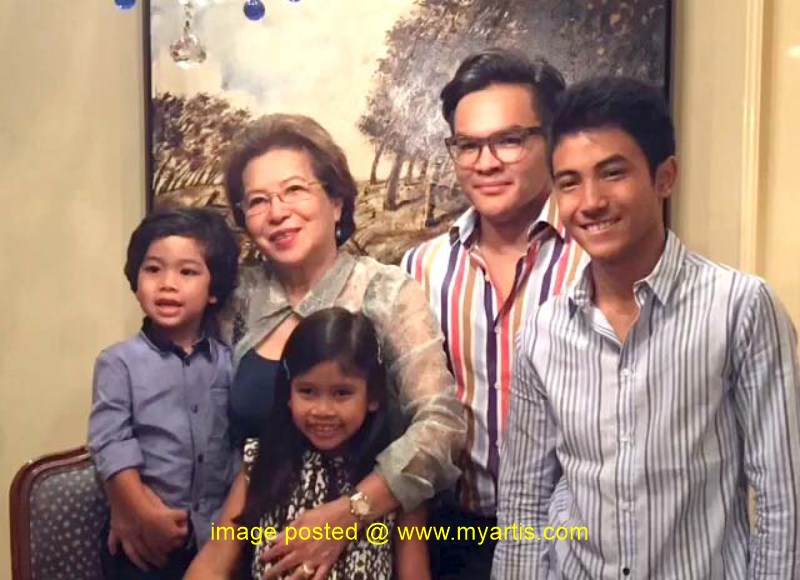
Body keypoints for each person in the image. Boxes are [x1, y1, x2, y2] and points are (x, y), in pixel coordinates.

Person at [493, 76, 800, 578]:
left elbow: (783, 498)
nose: (590, 201)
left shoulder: (741, 309)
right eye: (569, 182)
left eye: (613, 173)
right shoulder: (543, 334)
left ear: (665, 177)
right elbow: (524, 503)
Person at [197, 113, 464, 579]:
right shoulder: (234, 298)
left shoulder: (386, 292)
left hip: (370, 541)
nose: (277, 212)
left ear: (336, 202)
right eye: (257, 201)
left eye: (294, 190)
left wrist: (350, 513)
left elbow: (441, 425)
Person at [401, 49, 586, 578]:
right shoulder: (423, 267)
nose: (485, 163)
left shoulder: (595, 259)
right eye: (467, 145)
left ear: (552, 140)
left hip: (574, 537)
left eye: (509, 140)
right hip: (455, 538)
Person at [185, 307, 431, 579]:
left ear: (372, 395)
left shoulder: (394, 481)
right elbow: (213, 562)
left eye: (342, 393)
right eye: (307, 391)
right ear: (288, 393)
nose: (322, 410)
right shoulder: (260, 463)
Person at [87, 207, 241, 579]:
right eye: (153, 269)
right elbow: (110, 441)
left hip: (214, 539)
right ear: (136, 279)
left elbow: (240, 445)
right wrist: (139, 510)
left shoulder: (230, 362)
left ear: (214, 291)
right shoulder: (118, 362)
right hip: (142, 542)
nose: (167, 284)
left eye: (187, 272)